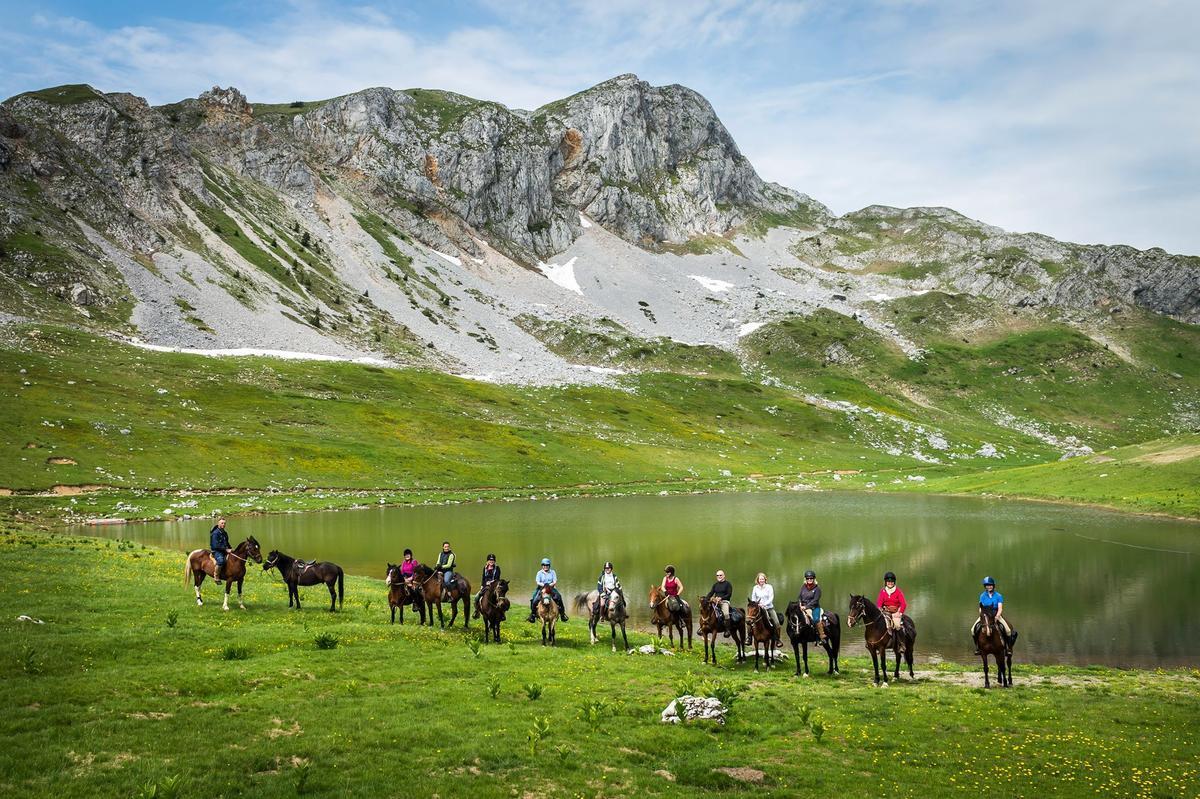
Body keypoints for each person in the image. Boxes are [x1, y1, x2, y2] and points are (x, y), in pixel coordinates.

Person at [972, 576, 1016, 652]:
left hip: (996, 615)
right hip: (985, 615)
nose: (989, 587)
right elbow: (980, 608)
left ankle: (1008, 648)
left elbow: (1000, 608)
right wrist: (982, 614)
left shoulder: (998, 596)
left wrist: (997, 616)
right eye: (987, 585)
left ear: (993, 585)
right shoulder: (982, 596)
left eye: (990, 585)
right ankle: (978, 648)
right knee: (973, 630)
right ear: (985, 586)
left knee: (1008, 630)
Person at [527, 557, 567, 623]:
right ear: (542, 566)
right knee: (534, 599)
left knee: (559, 597)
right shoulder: (539, 573)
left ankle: (562, 614)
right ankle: (533, 615)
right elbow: (538, 582)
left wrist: (549, 586)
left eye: (547, 565)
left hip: (551, 588)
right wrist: (544, 586)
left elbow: (554, 581)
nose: (545, 566)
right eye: (544, 565)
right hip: (541, 588)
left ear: (549, 566)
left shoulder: (553, 572)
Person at [750, 572, 780, 643]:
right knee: (750, 620)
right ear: (758, 580)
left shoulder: (769, 587)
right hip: (758, 608)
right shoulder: (755, 588)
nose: (761, 580)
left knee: (776, 622)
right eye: (760, 579)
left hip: (768, 607)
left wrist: (764, 604)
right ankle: (749, 637)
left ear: (765, 579)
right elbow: (753, 598)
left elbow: (771, 598)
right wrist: (756, 604)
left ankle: (777, 639)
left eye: (763, 579)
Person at [877, 571, 907, 639]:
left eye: (891, 582)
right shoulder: (883, 591)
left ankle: (901, 643)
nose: (890, 583)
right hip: (885, 611)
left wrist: (900, 613)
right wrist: (879, 608)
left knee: (897, 625)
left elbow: (903, 604)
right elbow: (879, 603)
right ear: (886, 582)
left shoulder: (898, 591)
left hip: (896, 612)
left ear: (894, 582)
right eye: (888, 581)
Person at [798, 569, 826, 641]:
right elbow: (800, 597)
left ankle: (821, 636)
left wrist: (806, 607)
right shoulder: (803, 587)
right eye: (808, 578)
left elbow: (815, 600)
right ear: (805, 579)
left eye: (811, 578)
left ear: (814, 579)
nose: (809, 579)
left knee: (816, 619)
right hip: (803, 607)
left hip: (814, 607)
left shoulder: (817, 588)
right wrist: (800, 604)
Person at [704, 569, 733, 634]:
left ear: (724, 576)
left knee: (726, 614)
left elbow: (729, 594)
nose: (719, 576)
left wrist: (721, 598)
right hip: (715, 601)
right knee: (706, 610)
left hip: (724, 601)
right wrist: (706, 599)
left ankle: (727, 629)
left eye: (720, 575)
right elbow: (711, 593)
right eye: (717, 575)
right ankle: (703, 627)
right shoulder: (715, 585)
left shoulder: (728, 584)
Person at [474, 554, 501, 619]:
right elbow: (483, 578)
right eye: (490, 560)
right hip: (485, 586)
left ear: (494, 561)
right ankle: (477, 611)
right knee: (476, 597)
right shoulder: (485, 568)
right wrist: (482, 585)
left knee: (500, 598)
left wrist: (491, 582)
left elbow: (497, 578)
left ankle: (501, 613)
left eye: (493, 560)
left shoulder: (497, 568)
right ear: (487, 561)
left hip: (494, 586)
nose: (491, 561)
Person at [209, 518, 232, 583]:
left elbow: (227, 542)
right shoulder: (215, 533)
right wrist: (226, 549)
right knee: (221, 561)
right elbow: (215, 545)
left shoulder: (225, 533)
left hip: (223, 550)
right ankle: (216, 576)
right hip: (216, 551)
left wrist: (230, 548)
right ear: (218, 523)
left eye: (224, 523)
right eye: (222, 523)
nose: (223, 524)